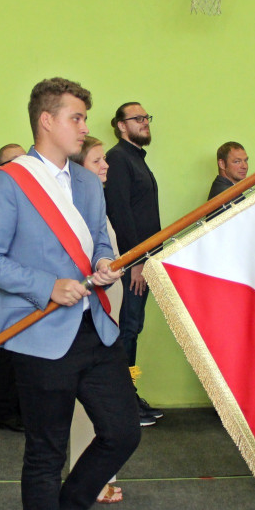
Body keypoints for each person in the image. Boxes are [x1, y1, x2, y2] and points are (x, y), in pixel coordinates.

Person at [0, 77, 141, 510]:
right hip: (38, 336)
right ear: (47, 120)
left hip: (93, 327)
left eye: (84, 119)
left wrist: (104, 265)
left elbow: (99, 242)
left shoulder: (89, 183)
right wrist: (46, 285)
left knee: (122, 431)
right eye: (76, 118)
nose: (85, 128)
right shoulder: (9, 183)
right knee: (45, 453)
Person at [69, 135, 125, 504]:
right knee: (83, 407)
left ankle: (99, 475)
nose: (105, 166)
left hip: (108, 306)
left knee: (105, 406)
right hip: (88, 309)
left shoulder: (97, 202)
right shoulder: (75, 210)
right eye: (96, 161)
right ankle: (85, 478)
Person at [104, 101, 163, 427]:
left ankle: (130, 393)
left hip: (144, 263)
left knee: (132, 331)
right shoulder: (118, 160)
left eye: (146, 117)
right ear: (120, 125)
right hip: (132, 267)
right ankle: (123, 402)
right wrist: (135, 262)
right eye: (137, 119)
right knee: (126, 331)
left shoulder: (135, 159)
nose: (144, 122)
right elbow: (120, 214)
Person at [0, 143, 28, 432]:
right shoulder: (0, 195)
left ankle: (23, 410)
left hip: (38, 286)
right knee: (7, 347)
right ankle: (5, 412)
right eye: (13, 161)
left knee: (29, 351)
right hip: (12, 284)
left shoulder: (43, 194)